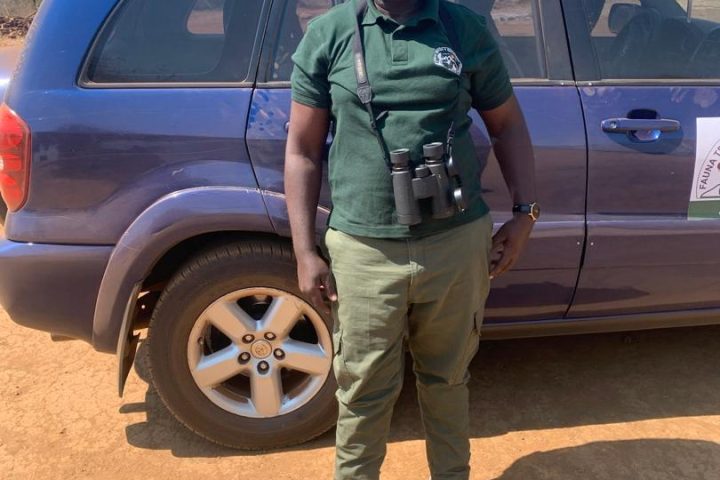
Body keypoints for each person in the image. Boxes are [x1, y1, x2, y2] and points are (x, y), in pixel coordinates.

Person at [285, 0, 538, 478]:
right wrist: (303, 250)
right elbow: (302, 150)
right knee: (363, 391)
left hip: (456, 243)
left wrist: (526, 213)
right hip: (363, 249)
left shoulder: (462, 29)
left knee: (448, 382)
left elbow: (507, 125)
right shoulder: (329, 34)